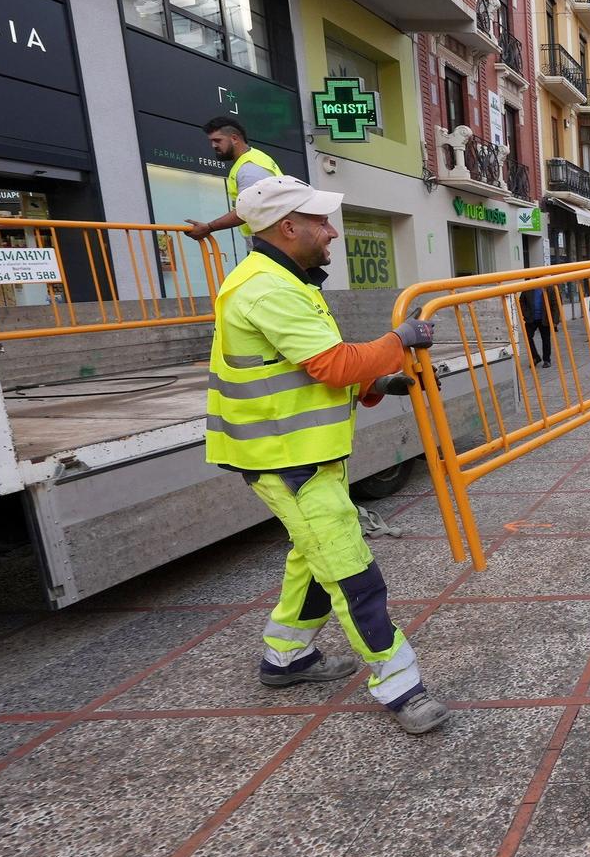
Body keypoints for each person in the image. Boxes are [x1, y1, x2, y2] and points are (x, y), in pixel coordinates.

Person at [204, 176, 448, 735]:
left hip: (300, 451)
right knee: (350, 569)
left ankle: (285, 659)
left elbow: (300, 369)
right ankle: (401, 685)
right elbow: (333, 363)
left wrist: (376, 384)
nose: (332, 232)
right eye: (321, 223)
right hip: (285, 458)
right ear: (288, 228)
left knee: (312, 558)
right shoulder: (266, 289)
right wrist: (402, 339)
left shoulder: (285, 280)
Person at [184, 116, 281, 242]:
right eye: (211, 141)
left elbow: (249, 209)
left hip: (270, 240)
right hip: (270, 239)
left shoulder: (248, 168)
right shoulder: (255, 158)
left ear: (234, 138)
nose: (213, 145)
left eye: (217, 140)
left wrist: (208, 227)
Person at [519, 284, 552, 368]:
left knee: (546, 339)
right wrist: (525, 314)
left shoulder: (548, 287)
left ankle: (547, 360)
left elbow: (555, 303)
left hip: (544, 318)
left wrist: (554, 320)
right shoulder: (528, 287)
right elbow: (521, 301)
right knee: (528, 337)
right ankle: (535, 357)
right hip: (531, 319)